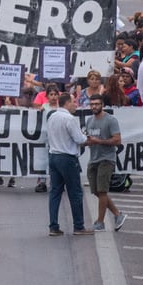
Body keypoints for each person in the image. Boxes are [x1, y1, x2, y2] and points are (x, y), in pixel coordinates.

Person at [45, 92, 92, 236]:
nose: (76, 105)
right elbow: (79, 139)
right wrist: (88, 138)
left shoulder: (52, 116)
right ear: (66, 103)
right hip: (67, 158)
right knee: (75, 192)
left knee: (55, 192)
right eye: (74, 102)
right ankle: (78, 226)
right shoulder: (70, 119)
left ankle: (53, 226)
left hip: (54, 156)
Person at [84, 94, 127, 232]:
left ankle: (100, 222)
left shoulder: (110, 120)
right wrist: (86, 142)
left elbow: (117, 140)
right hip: (94, 158)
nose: (94, 106)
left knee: (102, 191)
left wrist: (100, 141)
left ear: (102, 104)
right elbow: (90, 139)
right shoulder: (89, 120)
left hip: (107, 159)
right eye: (92, 104)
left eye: (96, 104)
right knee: (96, 191)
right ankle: (118, 214)